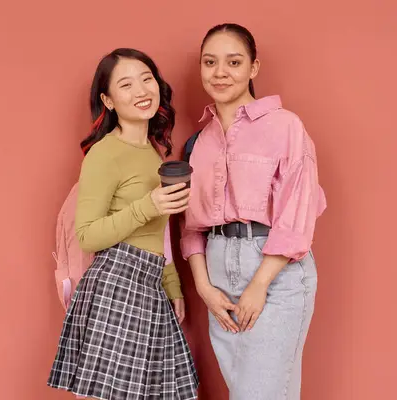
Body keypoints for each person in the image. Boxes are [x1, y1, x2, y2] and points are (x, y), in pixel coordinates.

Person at [180, 23, 327, 399]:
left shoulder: (285, 126)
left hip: (274, 274)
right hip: (217, 279)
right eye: (210, 62)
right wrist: (203, 287)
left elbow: (297, 213)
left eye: (233, 62)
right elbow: (190, 227)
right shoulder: (200, 141)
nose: (220, 72)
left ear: (253, 68)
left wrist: (259, 284)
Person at [47, 48, 199, 400]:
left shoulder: (152, 153)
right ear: (108, 100)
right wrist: (148, 204)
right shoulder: (105, 153)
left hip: (150, 284)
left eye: (146, 79)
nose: (141, 91)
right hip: (117, 283)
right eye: (126, 85)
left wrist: (171, 284)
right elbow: (88, 235)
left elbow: (157, 235)